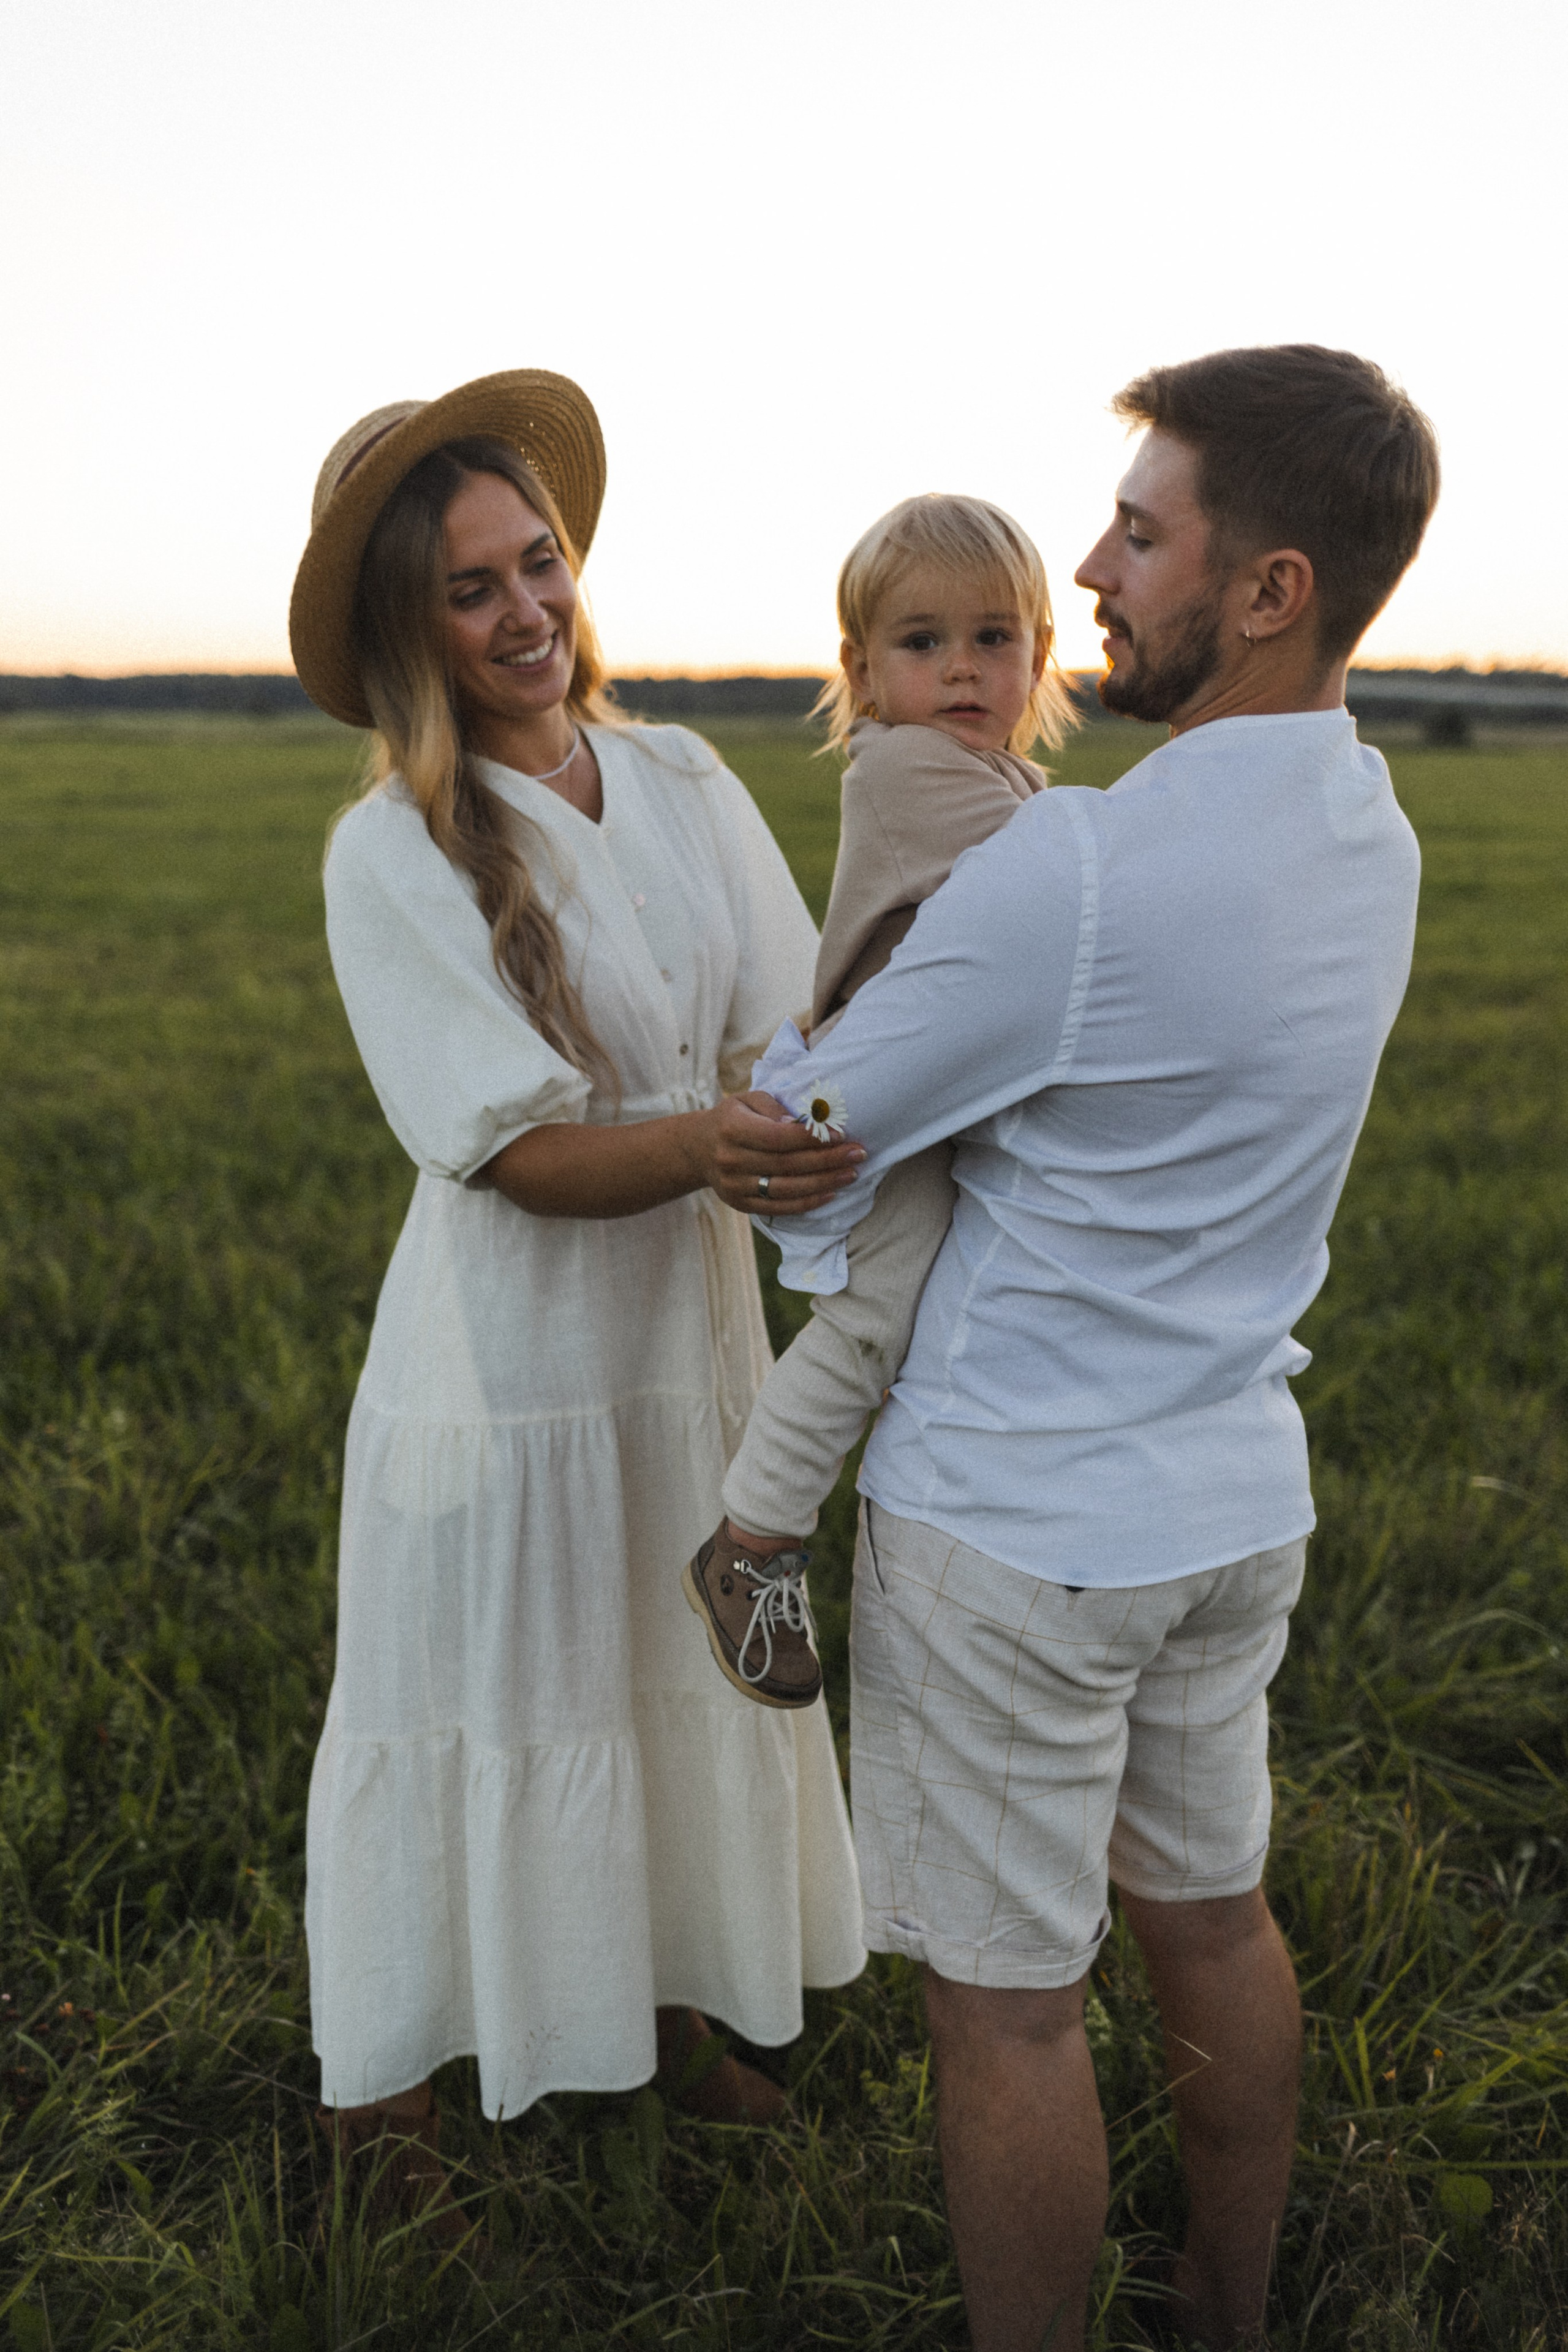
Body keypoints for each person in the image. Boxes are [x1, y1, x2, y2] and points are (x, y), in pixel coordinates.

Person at [738, 345, 1439, 2350]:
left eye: (1145, 532)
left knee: (1014, 2005)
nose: (1102, 571)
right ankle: (1229, 2315)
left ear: (1273, 587)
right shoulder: (1371, 833)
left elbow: (804, 1147)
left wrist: (771, 1081)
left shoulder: (1082, 872)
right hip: (1228, 1505)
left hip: (1022, 1524)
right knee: (1213, 1922)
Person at [286, 368, 867, 2238]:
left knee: (668, 1673)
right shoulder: (391, 851)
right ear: (408, 627)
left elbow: (797, 1031)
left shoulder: (684, 777)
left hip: (689, 1344)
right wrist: (719, 1140)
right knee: (467, 1701)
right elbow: (519, 1157)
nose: (527, 610)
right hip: (514, 1366)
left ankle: (673, 2011)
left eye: (539, 562)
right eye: (472, 588)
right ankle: (382, 2105)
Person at [683, 492, 1076, 1708]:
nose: (961, 668)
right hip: (874, 1100)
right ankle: (749, 1541)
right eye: (921, 643)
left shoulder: (987, 770)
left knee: (939, 1313)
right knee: (871, 1323)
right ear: (860, 670)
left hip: (932, 1086)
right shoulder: (911, 769)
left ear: (1038, 656)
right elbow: (1072, 870)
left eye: (993, 638)